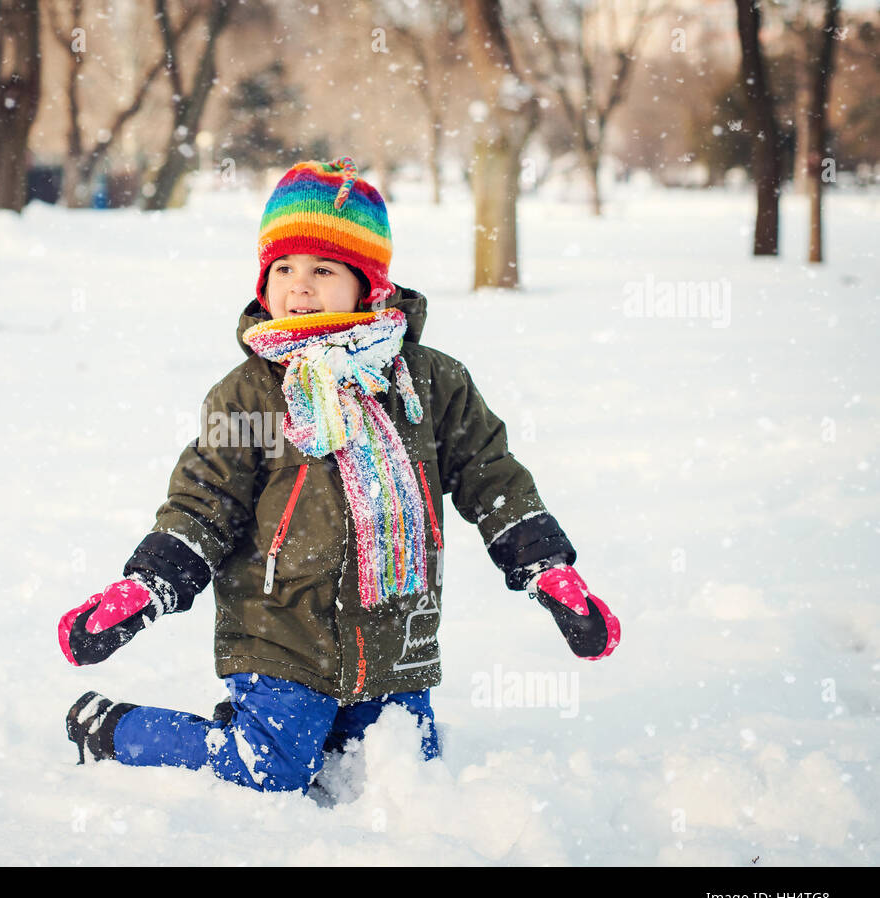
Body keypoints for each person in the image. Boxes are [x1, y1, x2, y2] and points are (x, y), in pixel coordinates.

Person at [56, 157, 620, 794]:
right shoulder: (250, 394)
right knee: (270, 770)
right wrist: (151, 582)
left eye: (322, 270)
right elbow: (204, 498)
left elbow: (493, 476)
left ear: (368, 284)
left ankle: (317, 727)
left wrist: (546, 565)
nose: (299, 287)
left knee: (403, 774)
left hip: (396, 638)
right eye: (284, 270)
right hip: (280, 631)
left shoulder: (432, 383)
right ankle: (115, 730)